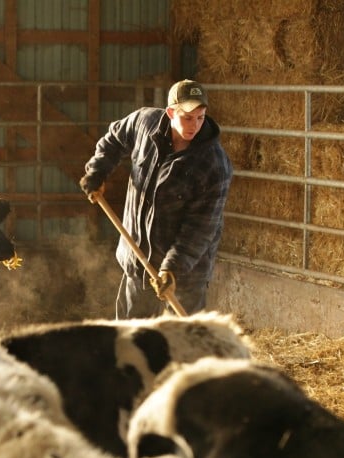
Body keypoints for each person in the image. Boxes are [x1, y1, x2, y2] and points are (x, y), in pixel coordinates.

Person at [80, 79, 233, 317]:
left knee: (181, 344)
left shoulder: (213, 164)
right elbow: (114, 139)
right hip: (139, 258)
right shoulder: (144, 123)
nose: (195, 125)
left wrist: (172, 269)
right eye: (187, 117)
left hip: (185, 272)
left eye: (201, 117)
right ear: (171, 112)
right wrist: (97, 171)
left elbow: (200, 228)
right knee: (131, 340)